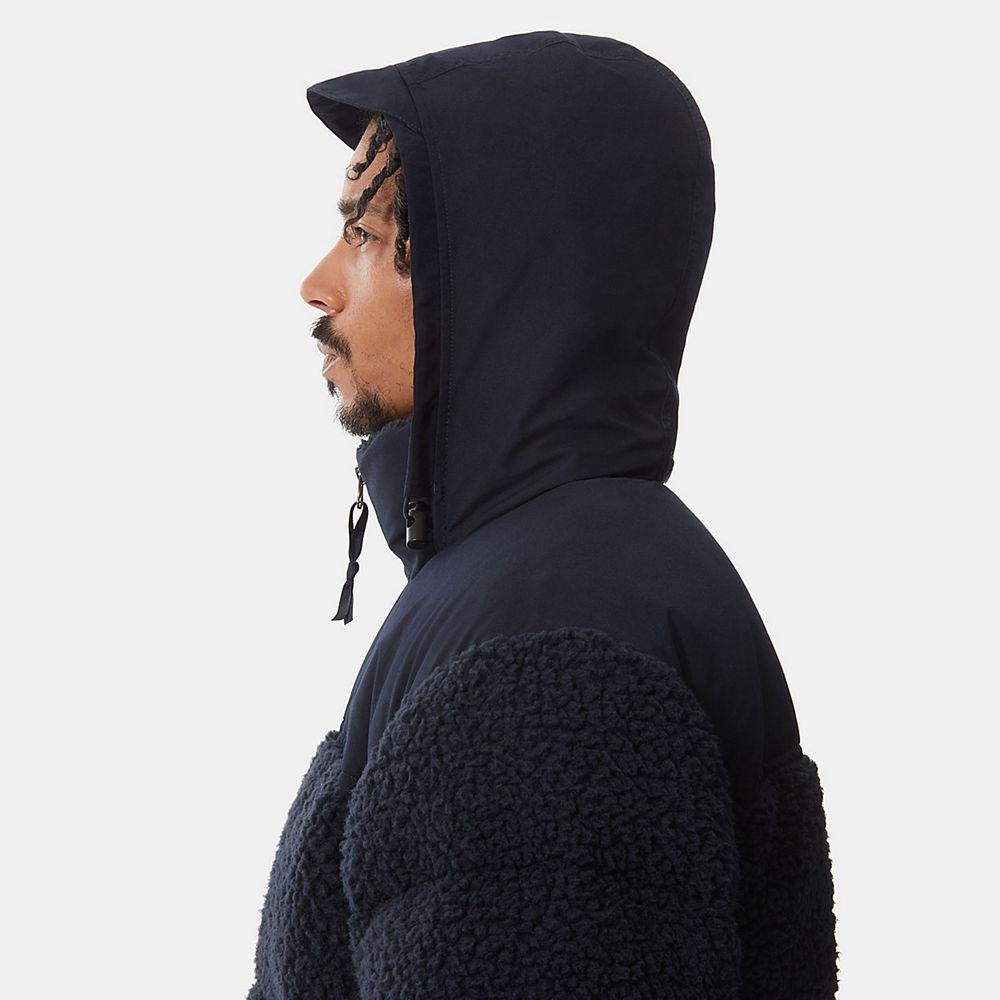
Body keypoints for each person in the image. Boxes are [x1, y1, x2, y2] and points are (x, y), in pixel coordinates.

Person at [247, 29, 839, 1000]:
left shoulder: (542, 643)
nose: (318, 284)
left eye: (365, 236)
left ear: (494, 273)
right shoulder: (556, 581)